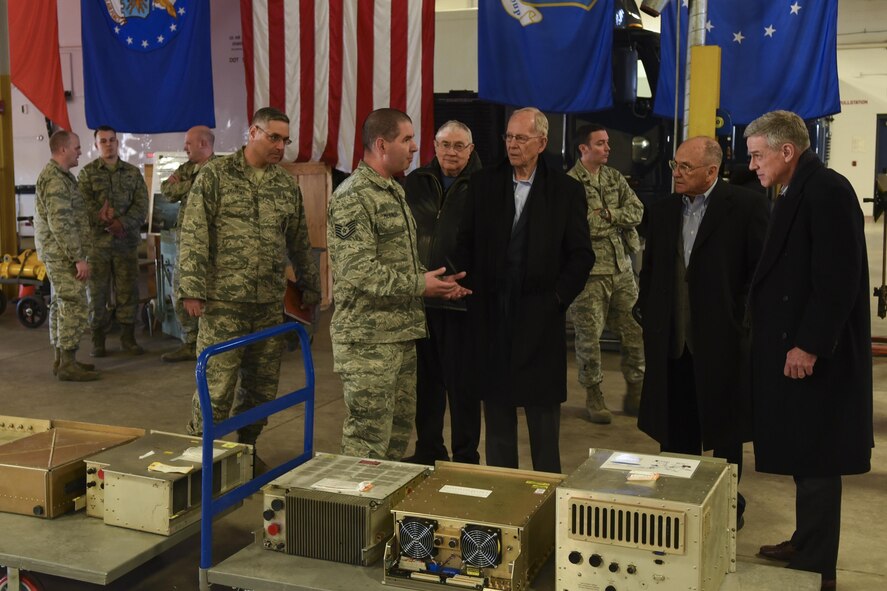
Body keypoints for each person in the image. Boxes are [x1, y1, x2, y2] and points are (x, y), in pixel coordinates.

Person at [745, 110, 872, 591]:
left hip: (819, 358)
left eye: (758, 155)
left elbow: (838, 282)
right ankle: (805, 539)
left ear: (786, 151)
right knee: (803, 452)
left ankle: (818, 566)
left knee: (818, 458)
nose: (752, 164)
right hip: (798, 350)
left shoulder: (828, 192)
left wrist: (809, 344)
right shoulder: (797, 190)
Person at [636, 136, 769, 526]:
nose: (676, 173)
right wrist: (648, 312)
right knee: (675, 428)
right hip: (672, 342)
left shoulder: (746, 208)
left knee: (724, 431)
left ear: (712, 171)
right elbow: (652, 271)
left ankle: (727, 505)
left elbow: (759, 274)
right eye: (674, 166)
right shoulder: (661, 212)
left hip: (722, 343)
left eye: (685, 168)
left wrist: (739, 320)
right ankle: (677, 504)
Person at [454, 107, 594, 473]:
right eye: (509, 137)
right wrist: (473, 292)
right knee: (498, 424)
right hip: (492, 319)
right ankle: (503, 499)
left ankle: (546, 503)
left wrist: (557, 299)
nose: (512, 145)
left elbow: (581, 256)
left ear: (542, 142)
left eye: (521, 138)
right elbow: (464, 244)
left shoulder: (566, 191)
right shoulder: (484, 184)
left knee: (543, 429)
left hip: (541, 321)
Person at [328, 108, 468, 461]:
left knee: (395, 437)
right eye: (406, 139)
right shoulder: (353, 197)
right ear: (380, 144)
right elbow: (359, 270)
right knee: (367, 438)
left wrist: (437, 281)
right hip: (367, 341)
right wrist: (421, 285)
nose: (415, 147)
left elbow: (399, 260)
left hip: (401, 335)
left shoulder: (392, 190)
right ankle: (354, 516)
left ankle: (379, 513)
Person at [177, 107, 321, 445]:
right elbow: (194, 233)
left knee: (261, 386)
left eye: (285, 140)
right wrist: (191, 289)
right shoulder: (216, 174)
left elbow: (299, 242)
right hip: (224, 303)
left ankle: (246, 451)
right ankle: (202, 459)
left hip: (269, 304)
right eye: (273, 137)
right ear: (252, 133)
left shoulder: (284, 184)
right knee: (217, 386)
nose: (280, 146)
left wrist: (311, 289)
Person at [402, 120, 483, 465]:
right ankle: (428, 450)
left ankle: (465, 457)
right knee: (426, 386)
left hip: (464, 304)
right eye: (445, 144)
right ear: (434, 146)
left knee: (463, 389)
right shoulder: (414, 182)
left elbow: (493, 243)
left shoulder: (486, 185)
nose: (451, 151)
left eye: (459, 145)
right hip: (423, 300)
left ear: (471, 149)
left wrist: (472, 283)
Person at [566, 124, 645, 423]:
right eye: (601, 143)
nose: (608, 148)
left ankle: (636, 390)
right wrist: (615, 220)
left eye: (607, 142)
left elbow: (637, 211)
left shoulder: (614, 177)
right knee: (589, 338)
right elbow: (583, 227)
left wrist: (609, 215)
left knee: (635, 331)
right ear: (583, 149)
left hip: (621, 269)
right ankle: (594, 395)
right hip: (589, 275)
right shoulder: (570, 184)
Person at [78, 125, 149, 357]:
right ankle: (98, 340)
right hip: (97, 246)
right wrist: (104, 219)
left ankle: (128, 338)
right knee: (96, 293)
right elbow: (81, 206)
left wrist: (122, 223)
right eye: (103, 141)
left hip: (126, 244)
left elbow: (141, 206)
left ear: (118, 143)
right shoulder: (87, 174)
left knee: (128, 291)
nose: (108, 145)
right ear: (96, 145)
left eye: (112, 140)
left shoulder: (132, 173)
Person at [34, 131, 98, 382]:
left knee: (61, 304)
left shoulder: (62, 177)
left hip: (60, 254)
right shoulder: (55, 180)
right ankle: (67, 362)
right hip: (63, 255)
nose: (80, 151)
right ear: (62, 149)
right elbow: (60, 223)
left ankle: (62, 360)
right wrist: (77, 258)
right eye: (77, 147)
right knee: (73, 303)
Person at [160, 125, 218, 363]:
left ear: (203, 143)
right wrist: (189, 184)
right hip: (185, 245)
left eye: (188, 143)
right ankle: (190, 342)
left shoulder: (220, 169)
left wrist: (184, 185)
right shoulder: (188, 168)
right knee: (180, 294)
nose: (184, 148)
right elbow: (167, 190)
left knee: (212, 298)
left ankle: (212, 345)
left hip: (213, 247)